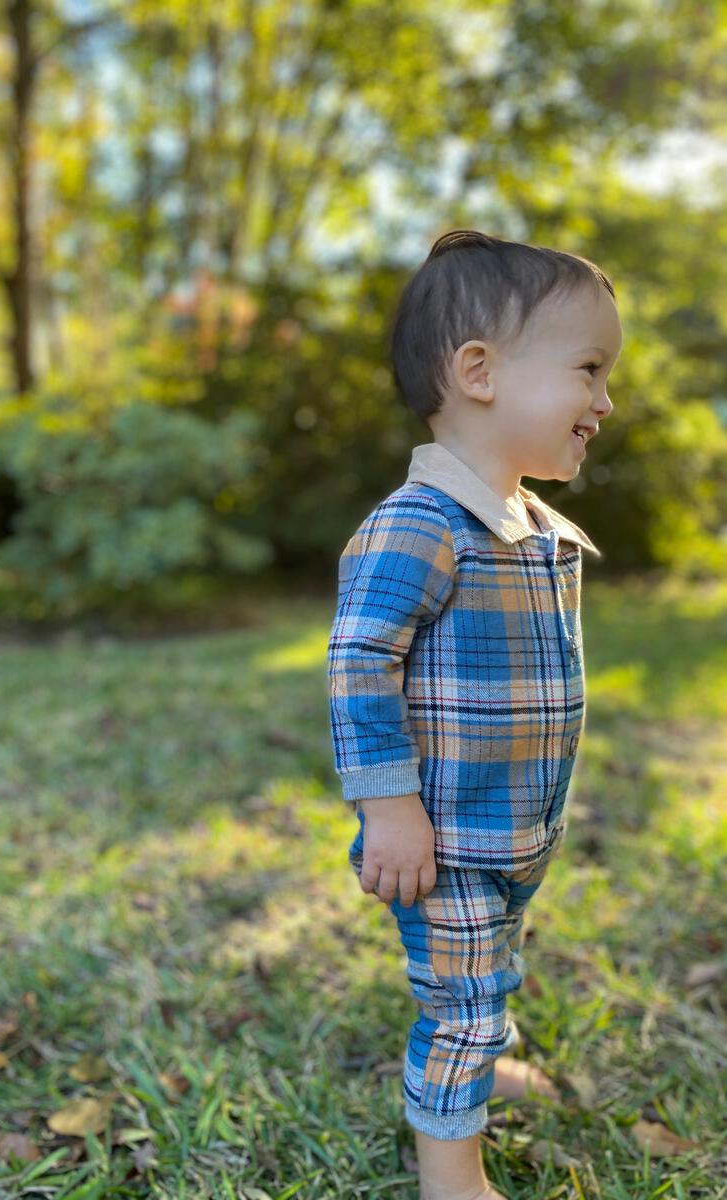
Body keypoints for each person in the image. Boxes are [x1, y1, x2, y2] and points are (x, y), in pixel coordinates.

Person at [325, 229, 622, 1200]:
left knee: (493, 966)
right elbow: (360, 662)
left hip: (516, 828)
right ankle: (450, 1173)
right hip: (446, 837)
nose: (605, 401)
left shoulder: (534, 528)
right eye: (589, 370)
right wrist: (389, 808)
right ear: (480, 372)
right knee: (460, 1001)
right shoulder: (419, 525)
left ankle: (484, 1060)